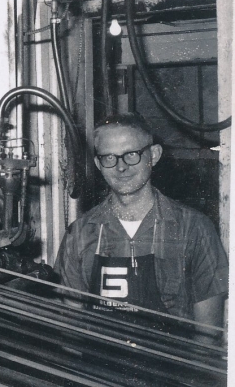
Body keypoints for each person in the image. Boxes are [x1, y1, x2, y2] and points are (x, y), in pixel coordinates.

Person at [54, 113, 228, 343]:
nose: (121, 167)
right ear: (98, 164)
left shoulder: (195, 229)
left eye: (132, 155)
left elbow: (208, 337)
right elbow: (70, 332)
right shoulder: (79, 234)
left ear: (154, 155)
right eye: (109, 158)